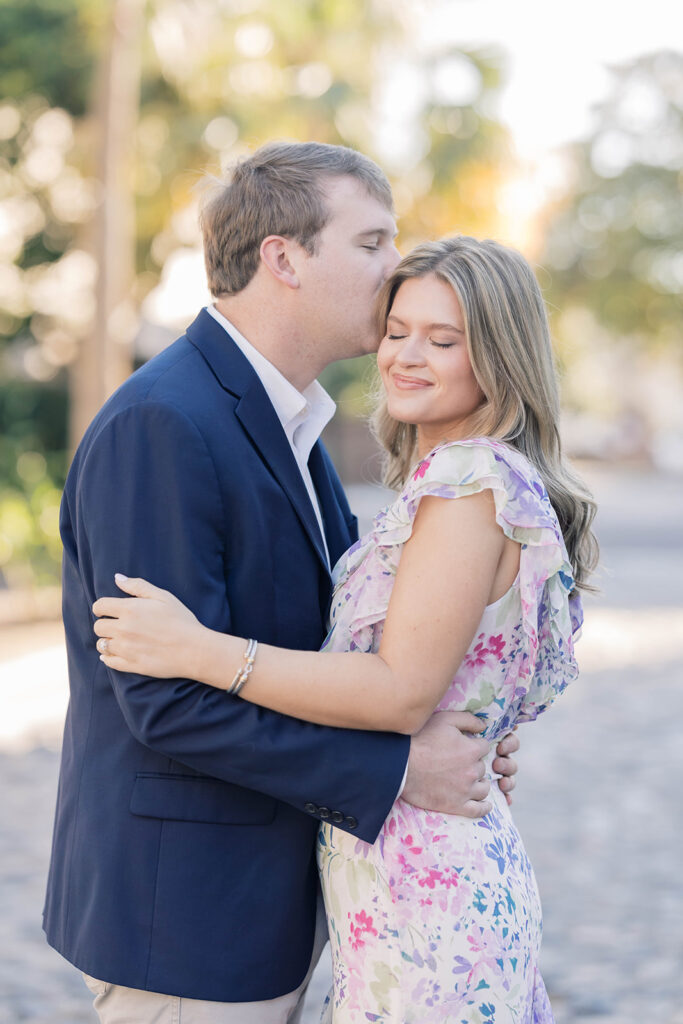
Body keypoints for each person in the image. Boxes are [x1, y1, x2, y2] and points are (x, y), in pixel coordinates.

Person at [44, 143, 520, 1024]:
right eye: (373, 241)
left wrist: (450, 720)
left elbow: (339, 647)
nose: (397, 266)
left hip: (268, 906)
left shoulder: (293, 424)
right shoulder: (164, 421)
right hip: (185, 919)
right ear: (284, 258)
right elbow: (166, 702)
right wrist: (400, 769)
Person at [93, 235, 598, 1023]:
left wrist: (201, 651)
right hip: (402, 873)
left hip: (428, 888)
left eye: (443, 339)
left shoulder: (470, 483)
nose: (406, 356)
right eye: (397, 331)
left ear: (498, 356)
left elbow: (398, 691)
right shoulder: (450, 480)